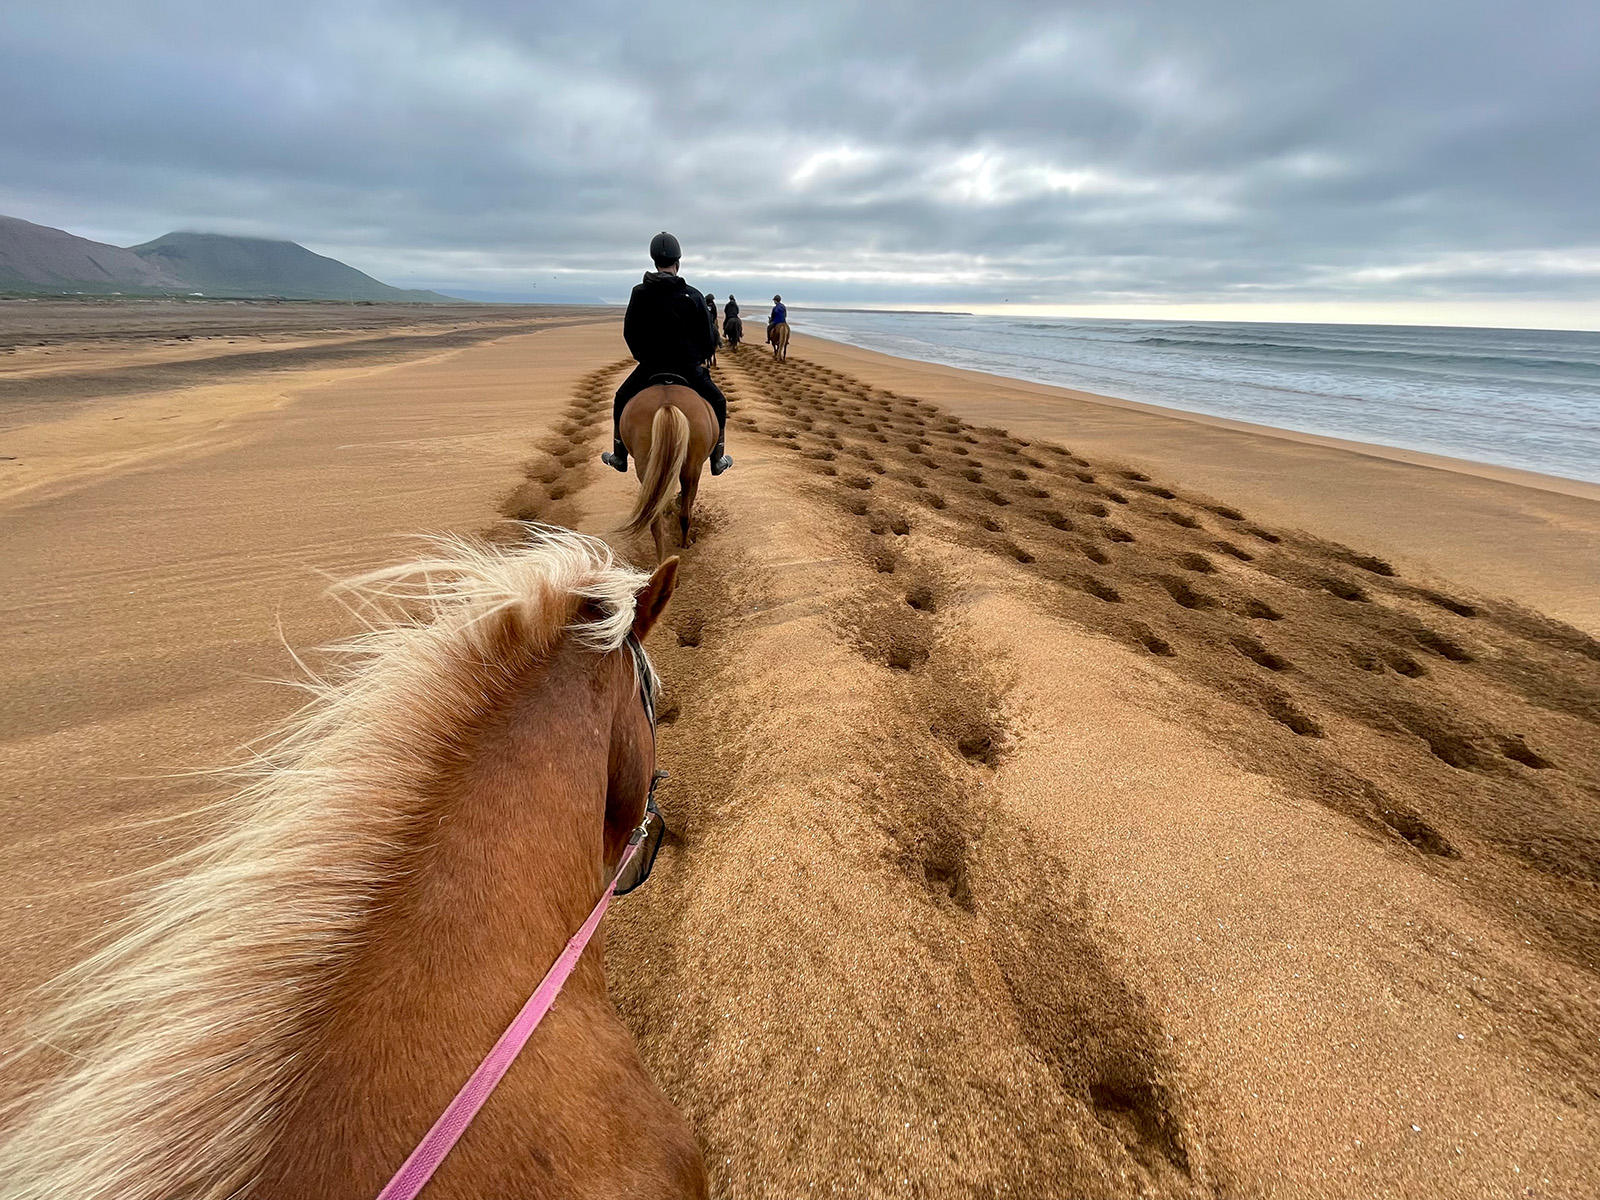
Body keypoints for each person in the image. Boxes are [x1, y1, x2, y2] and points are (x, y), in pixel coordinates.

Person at [602, 232, 732, 476]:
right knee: (718, 401)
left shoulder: (639, 293)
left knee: (621, 399)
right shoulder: (693, 295)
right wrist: (700, 357)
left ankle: (619, 456)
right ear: (678, 262)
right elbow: (707, 337)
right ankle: (717, 458)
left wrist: (643, 357)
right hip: (688, 369)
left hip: (650, 367)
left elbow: (630, 332)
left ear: (654, 262)